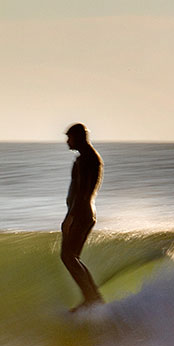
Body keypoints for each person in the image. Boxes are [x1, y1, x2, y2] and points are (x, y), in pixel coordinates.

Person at [62, 123, 104, 311]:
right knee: (72, 257)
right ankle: (92, 296)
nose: (67, 141)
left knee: (68, 256)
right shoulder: (87, 158)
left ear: (78, 137)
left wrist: (70, 217)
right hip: (83, 212)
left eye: (69, 137)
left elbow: (83, 192)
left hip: (81, 213)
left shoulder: (88, 159)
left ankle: (91, 297)